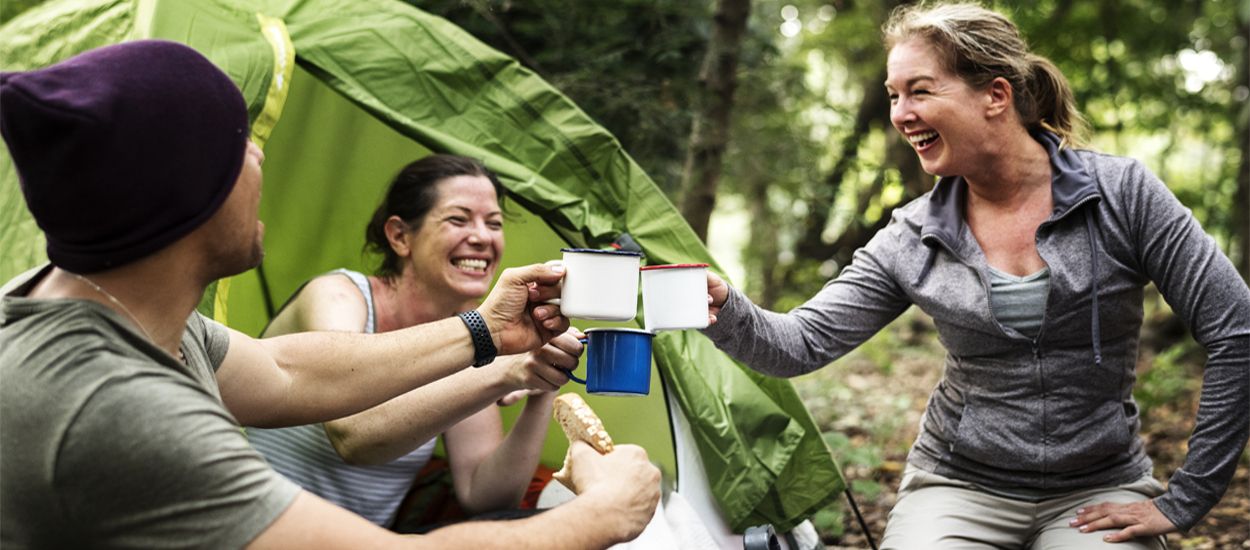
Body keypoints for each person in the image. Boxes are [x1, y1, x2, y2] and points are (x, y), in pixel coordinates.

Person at [0, 39, 659, 549]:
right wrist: (603, 513)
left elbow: (286, 372)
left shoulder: (120, 314)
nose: (261, 161)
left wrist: (488, 334)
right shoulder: (115, 408)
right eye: (241, 148)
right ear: (188, 196)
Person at [700, 3, 1250, 549]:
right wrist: (726, 309)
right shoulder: (912, 236)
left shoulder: (1121, 195)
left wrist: (1186, 500)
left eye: (919, 90)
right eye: (894, 95)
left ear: (996, 95)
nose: (899, 113)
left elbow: (1236, 330)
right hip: (957, 486)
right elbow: (801, 344)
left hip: (1096, 488)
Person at [246, 154, 579, 529]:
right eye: (458, 219)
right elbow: (353, 437)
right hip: (247, 530)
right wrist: (505, 370)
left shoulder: (478, 334)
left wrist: (540, 382)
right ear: (400, 237)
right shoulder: (337, 297)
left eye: (494, 223)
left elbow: (483, 496)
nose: (482, 237)